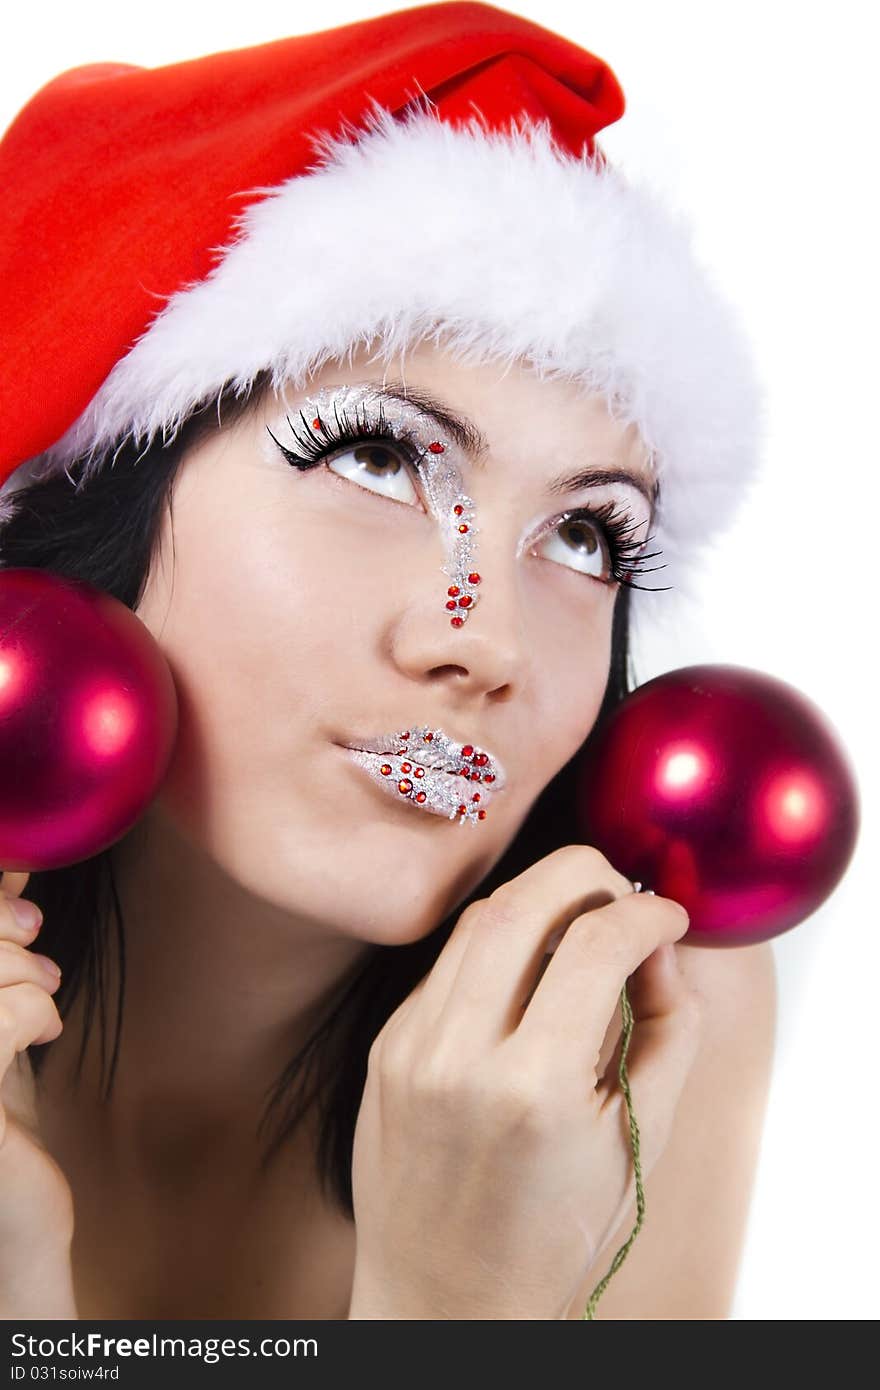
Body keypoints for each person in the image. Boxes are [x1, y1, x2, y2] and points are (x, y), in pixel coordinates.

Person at [0, 2, 776, 1320]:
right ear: (104, 501)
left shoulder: (645, 1019)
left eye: (587, 534)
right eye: (374, 455)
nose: (485, 639)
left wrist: (449, 1312)